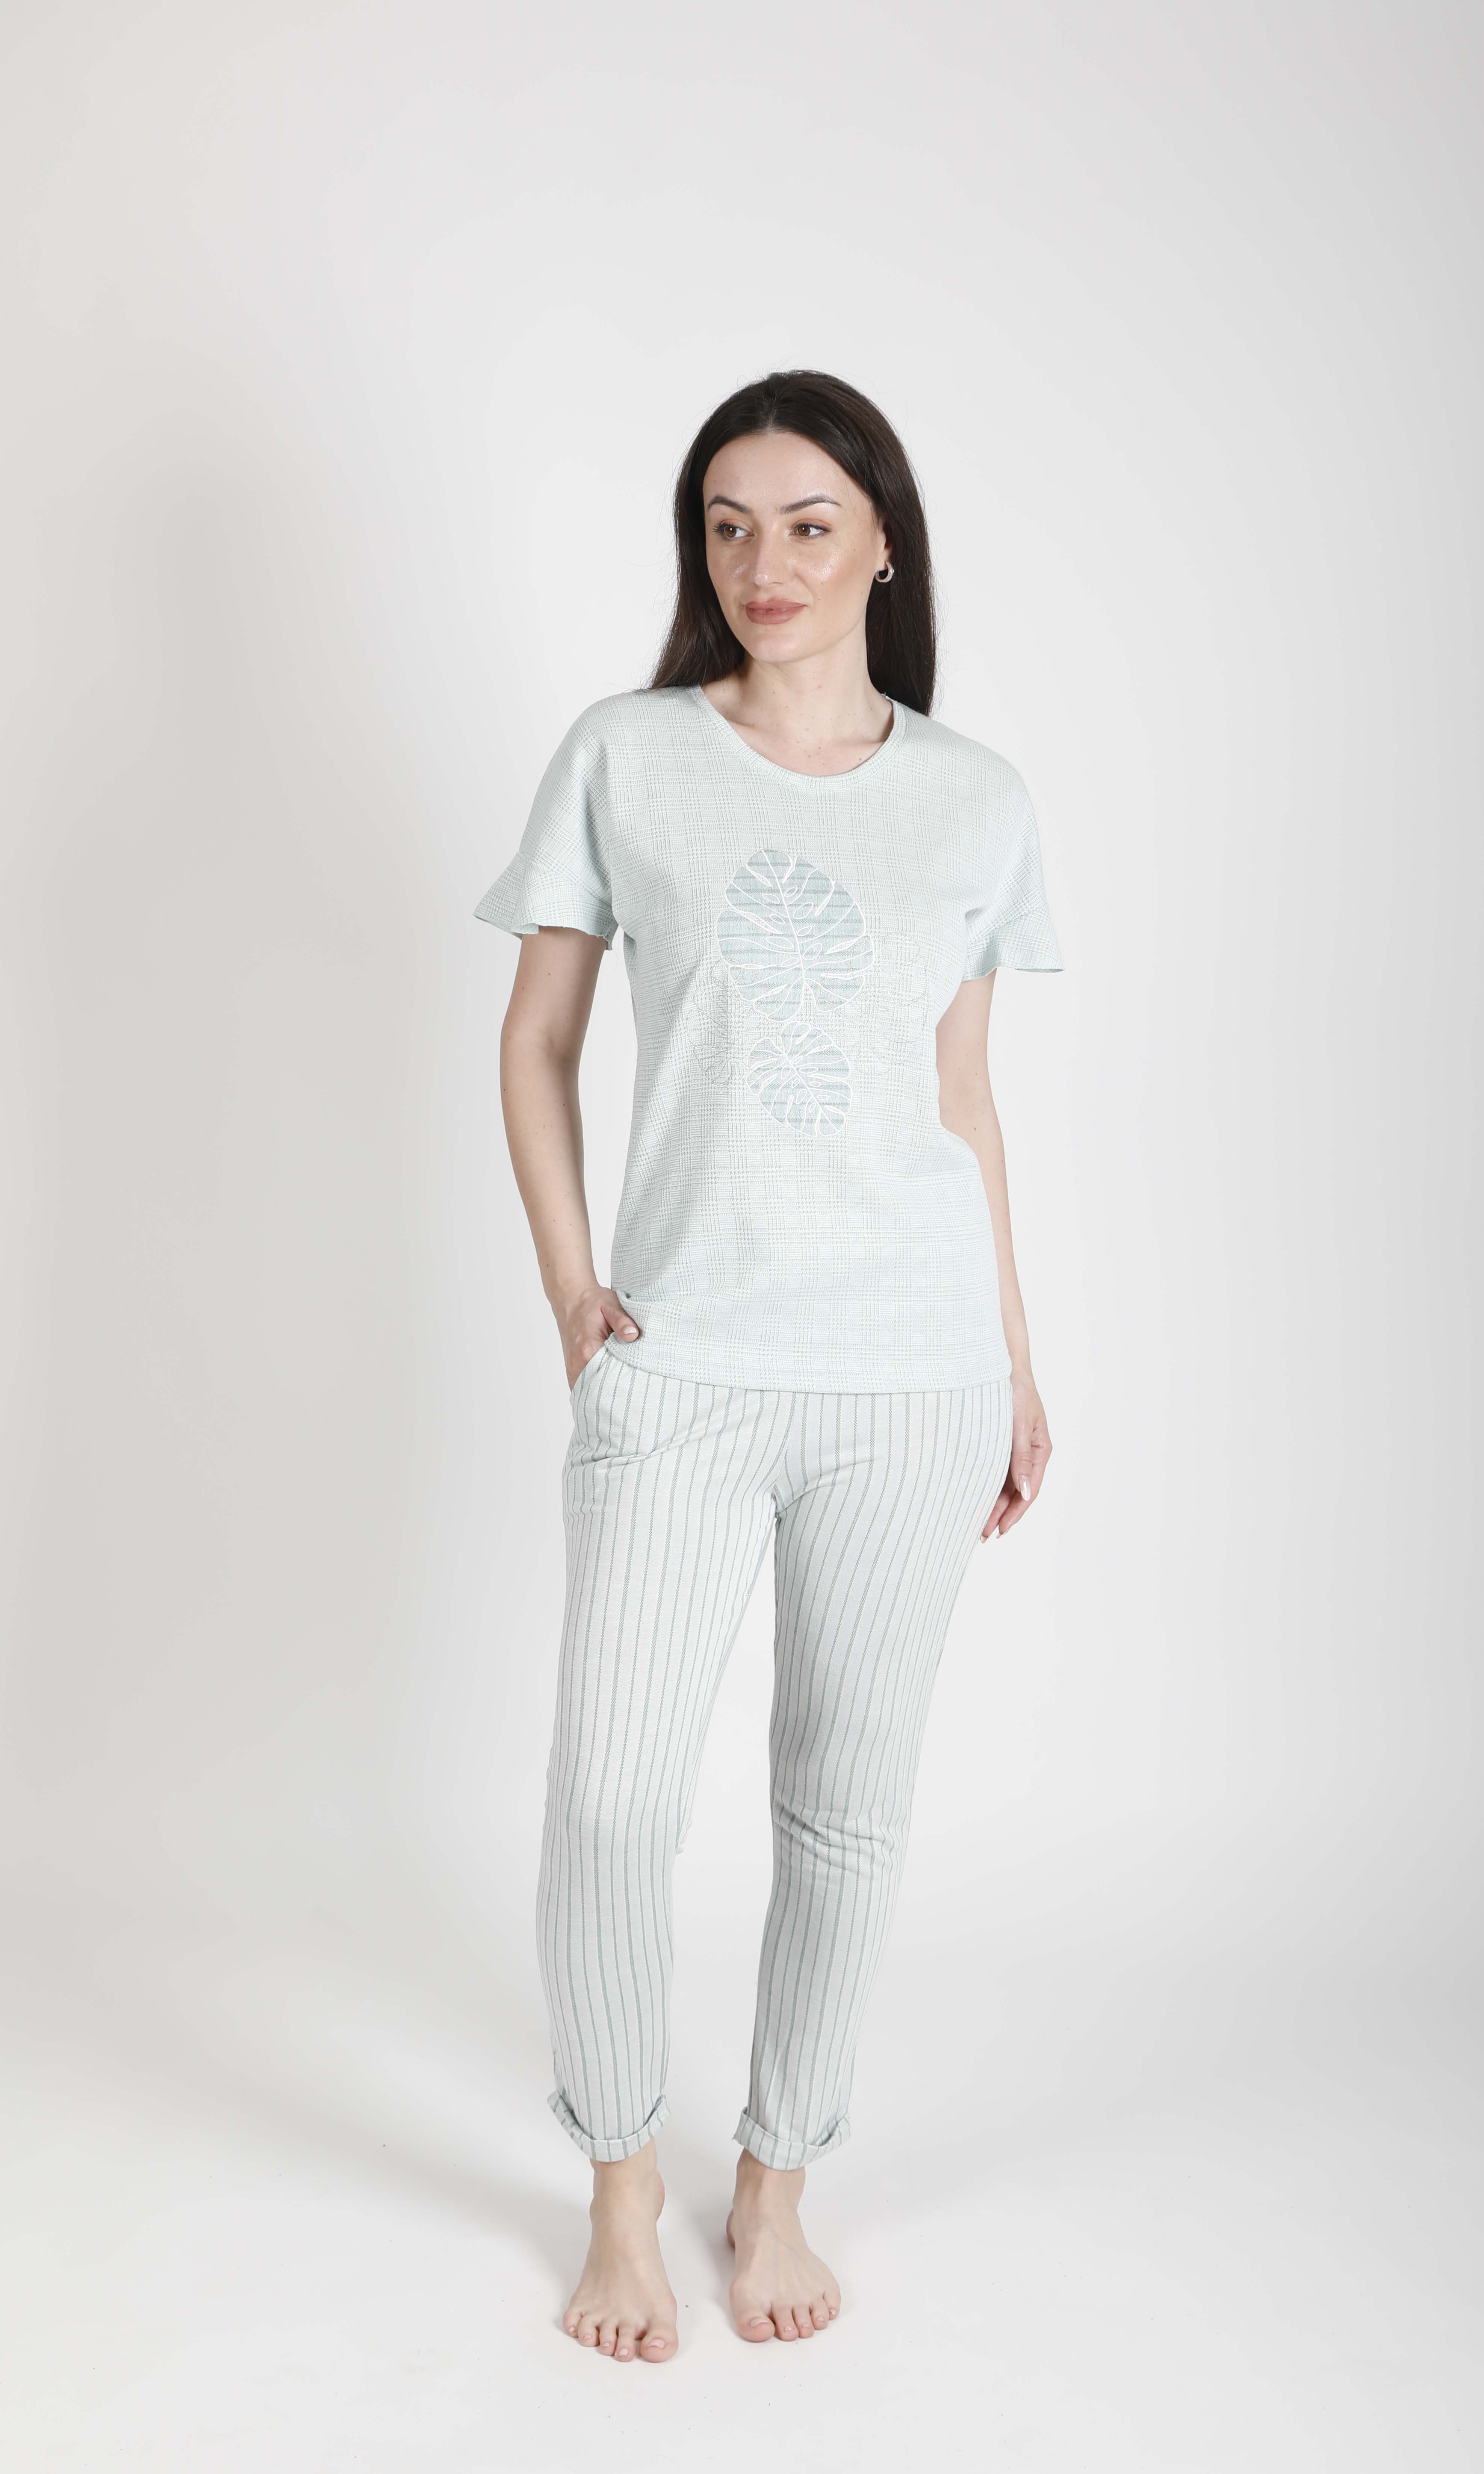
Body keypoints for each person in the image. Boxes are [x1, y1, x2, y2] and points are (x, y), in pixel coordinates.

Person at [473, 370, 1062, 2362]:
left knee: (845, 1809)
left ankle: (779, 2178)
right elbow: (536, 1042)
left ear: (884, 540)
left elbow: (962, 1101)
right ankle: (621, 2194)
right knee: (610, 1804)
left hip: (913, 1375)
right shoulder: (628, 755)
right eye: (727, 525)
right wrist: (575, 1293)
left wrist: (1016, 1362)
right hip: (688, 1365)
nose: (765, 562)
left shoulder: (976, 799)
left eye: (809, 523)